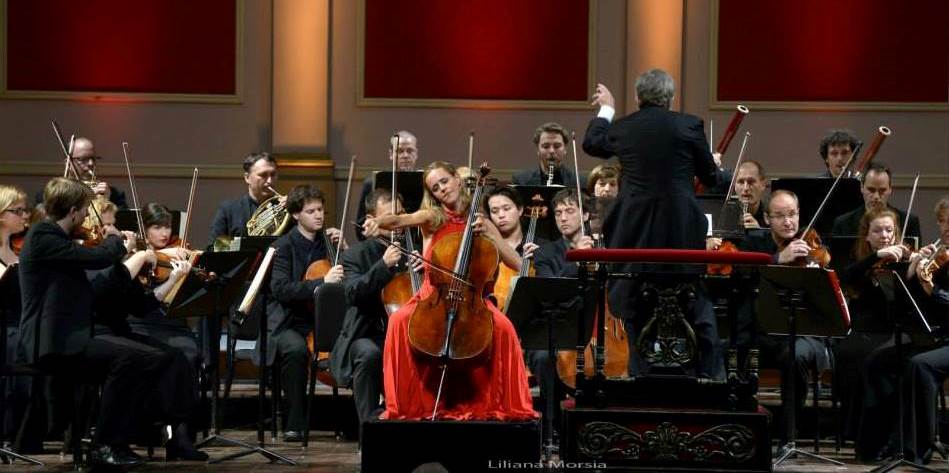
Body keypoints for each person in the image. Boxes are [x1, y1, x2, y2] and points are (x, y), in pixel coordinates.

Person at [362, 161, 537, 421]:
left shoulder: (481, 222)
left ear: (456, 178)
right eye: (435, 188)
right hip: (433, 295)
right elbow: (399, 219)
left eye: (444, 181)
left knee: (504, 329)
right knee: (398, 321)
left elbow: (517, 264)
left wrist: (494, 238)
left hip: (473, 300)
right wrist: (377, 222)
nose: (442, 189)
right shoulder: (432, 219)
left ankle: (504, 404)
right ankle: (407, 405)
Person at [17, 177, 171, 467]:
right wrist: (115, 239)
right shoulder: (43, 236)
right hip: (50, 342)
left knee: (152, 357)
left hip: (70, 336)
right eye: (86, 209)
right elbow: (98, 257)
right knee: (132, 358)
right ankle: (105, 445)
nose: (88, 215)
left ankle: (117, 440)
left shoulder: (58, 238)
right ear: (73, 211)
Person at [582, 68, 722, 378]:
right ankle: (711, 379)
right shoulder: (690, 125)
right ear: (671, 98)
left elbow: (592, 143)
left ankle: (639, 376)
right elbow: (711, 178)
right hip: (680, 231)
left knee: (635, 305)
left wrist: (608, 109)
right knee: (693, 301)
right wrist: (710, 163)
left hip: (635, 231)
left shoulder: (624, 127)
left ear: (637, 97)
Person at [726, 190, 831, 442]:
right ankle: (742, 429)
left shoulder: (811, 245)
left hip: (806, 334)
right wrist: (777, 259)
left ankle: (788, 434)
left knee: (794, 356)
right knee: (730, 351)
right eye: (780, 216)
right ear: (767, 218)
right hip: (762, 332)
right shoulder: (754, 243)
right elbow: (739, 274)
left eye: (792, 214)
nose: (788, 222)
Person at [266, 185, 346, 442]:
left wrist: (344, 250)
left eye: (320, 209)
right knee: (296, 350)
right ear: (296, 215)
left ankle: (355, 422)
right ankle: (294, 422)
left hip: (322, 321)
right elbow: (281, 289)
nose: (318, 215)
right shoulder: (283, 246)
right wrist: (322, 282)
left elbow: (348, 282)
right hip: (290, 322)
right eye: (311, 211)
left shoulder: (329, 243)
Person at [836, 208, 912, 453]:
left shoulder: (904, 259)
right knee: (851, 354)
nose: (885, 235)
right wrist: (876, 256)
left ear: (896, 233)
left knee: (880, 360)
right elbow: (847, 275)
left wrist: (915, 262)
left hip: (893, 330)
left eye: (889, 230)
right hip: (864, 329)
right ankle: (854, 430)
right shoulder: (860, 260)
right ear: (867, 235)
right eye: (877, 231)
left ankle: (882, 435)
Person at [332, 189, 401, 442]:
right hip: (367, 334)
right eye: (390, 216)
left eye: (401, 214)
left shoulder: (414, 250)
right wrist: (383, 266)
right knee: (369, 353)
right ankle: (369, 433)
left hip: (404, 334)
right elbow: (352, 293)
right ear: (371, 219)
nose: (398, 221)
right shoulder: (356, 254)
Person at [0, 186, 30, 446]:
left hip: (20, 328)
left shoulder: (20, 251)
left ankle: (24, 435)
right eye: (18, 211)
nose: (25, 216)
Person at [831, 163, 922, 243]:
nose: (876, 197)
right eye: (871, 190)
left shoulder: (909, 222)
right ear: (862, 187)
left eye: (882, 190)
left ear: (890, 189)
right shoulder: (843, 223)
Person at [355, 131, 421, 241]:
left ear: (416, 154)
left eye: (410, 151)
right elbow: (361, 226)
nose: (405, 155)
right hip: (383, 243)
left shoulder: (426, 181)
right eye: (400, 151)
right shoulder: (372, 182)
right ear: (391, 154)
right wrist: (381, 231)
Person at [208, 152, 281, 247]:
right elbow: (214, 246)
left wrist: (292, 209)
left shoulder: (286, 209)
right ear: (247, 178)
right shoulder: (229, 210)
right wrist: (245, 244)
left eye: (273, 174)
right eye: (263, 175)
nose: (269, 181)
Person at [48, 137, 128, 210]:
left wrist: (107, 202)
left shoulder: (114, 194)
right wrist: (85, 197)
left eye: (93, 158)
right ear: (68, 163)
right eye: (83, 159)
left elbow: (124, 219)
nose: (91, 163)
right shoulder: (56, 193)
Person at [512, 123, 585, 188]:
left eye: (557, 146)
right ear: (538, 150)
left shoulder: (579, 182)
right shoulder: (521, 181)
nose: (551, 151)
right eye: (546, 146)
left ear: (565, 149)